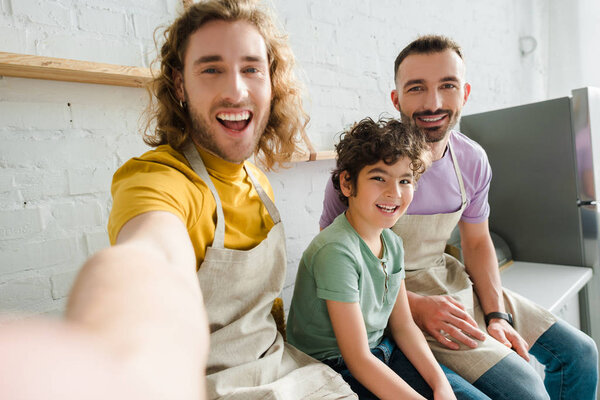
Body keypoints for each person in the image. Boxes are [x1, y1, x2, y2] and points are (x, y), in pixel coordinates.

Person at [1, 1, 357, 399]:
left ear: (271, 82)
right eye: (211, 69)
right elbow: (150, 261)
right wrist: (121, 356)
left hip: (282, 369)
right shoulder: (156, 180)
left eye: (252, 68)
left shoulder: (259, 182)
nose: (236, 90)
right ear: (179, 86)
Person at [319, 35, 599, 400]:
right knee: (525, 390)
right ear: (396, 98)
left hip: (451, 279)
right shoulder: (361, 167)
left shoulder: (471, 160)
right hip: (386, 296)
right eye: (416, 88)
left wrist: (497, 314)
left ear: (464, 93)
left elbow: (478, 242)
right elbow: (341, 258)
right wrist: (416, 308)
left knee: (580, 354)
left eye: (447, 86)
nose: (432, 103)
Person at [287, 117, 467, 399]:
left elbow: (404, 327)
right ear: (347, 183)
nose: (393, 192)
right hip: (333, 367)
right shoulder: (336, 250)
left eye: (405, 180)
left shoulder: (393, 243)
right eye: (379, 178)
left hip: (382, 350)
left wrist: (440, 383)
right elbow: (357, 360)